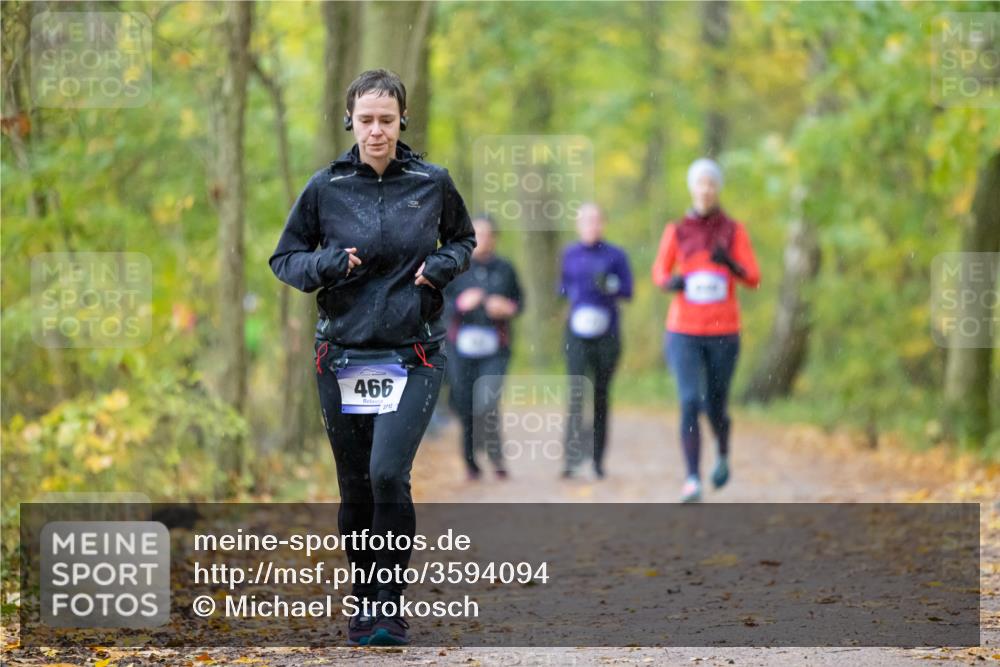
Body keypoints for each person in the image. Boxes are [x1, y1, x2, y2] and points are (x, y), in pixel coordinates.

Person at [268, 69, 475, 646]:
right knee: (357, 484)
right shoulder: (326, 187)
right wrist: (326, 265)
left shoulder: (432, 183)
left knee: (388, 473)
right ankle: (364, 601)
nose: (377, 130)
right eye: (366, 120)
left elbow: (463, 240)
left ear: (402, 119)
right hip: (343, 356)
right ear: (350, 121)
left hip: (413, 353)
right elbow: (285, 259)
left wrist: (441, 266)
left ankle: (389, 603)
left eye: (387, 119)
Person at [651, 158, 760, 503]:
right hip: (683, 330)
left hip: (723, 331)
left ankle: (723, 453)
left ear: (718, 188)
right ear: (692, 188)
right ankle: (692, 479)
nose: (706, 189)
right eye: (700, 183)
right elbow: (659, 271)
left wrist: (729, 263)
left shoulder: (733, 230)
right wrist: (671, 282)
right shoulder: (677, 230)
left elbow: (753, 277)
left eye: (711, 183)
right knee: (688, 400)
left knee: (715, 405)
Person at [443, 216, 523, 480]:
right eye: (478, 234)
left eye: (488, 234)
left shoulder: (505, 268)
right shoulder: (455, 267)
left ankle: (496, 456)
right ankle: (470, 461)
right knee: (464, 403)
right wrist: (460, 304)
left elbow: (519, 302)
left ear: (495, 238)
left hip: (495, 348)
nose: (483, 240)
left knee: (487, 402)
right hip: (460, 348)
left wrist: (508, 308)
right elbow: (438, 304)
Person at [558, 203, 633, 479]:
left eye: (596, 220)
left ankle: (598, 460)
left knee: (600, 395)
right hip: (576, 335)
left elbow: (628, 291)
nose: (591, 225)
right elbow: (561, 288)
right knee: (577, 393)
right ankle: (571, 459)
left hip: (607, 335)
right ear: (579, 225)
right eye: (586, 220)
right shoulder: (569, 254)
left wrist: (610, 286)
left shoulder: (616, 255)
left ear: (603, 223)